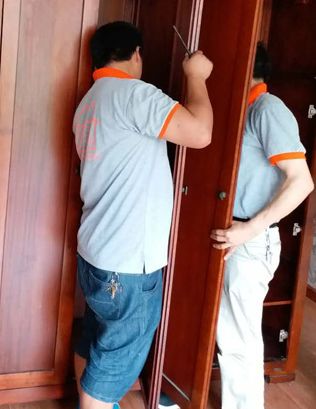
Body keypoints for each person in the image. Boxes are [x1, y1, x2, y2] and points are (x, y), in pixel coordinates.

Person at [73, 21, 214, 409]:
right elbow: (200, 133)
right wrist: (196, 77)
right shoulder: (134, 94)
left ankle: (94, 401)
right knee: (116, 357)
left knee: (96, 337)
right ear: (136, 54)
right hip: (128, 262)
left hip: (96, 252)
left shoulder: (89, 102)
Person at [210, 43, 314, 409]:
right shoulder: (240, 110)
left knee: (238, 338)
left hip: (250, 239)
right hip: (230, 233)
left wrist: (250, 229)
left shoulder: (268, 110)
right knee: (225, 329)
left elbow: (301, 182)